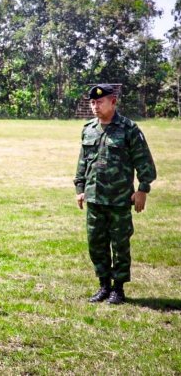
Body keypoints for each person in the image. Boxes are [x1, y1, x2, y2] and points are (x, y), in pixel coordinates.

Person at [75, 84, 156, 305]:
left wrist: (143, 189)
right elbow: (83, 162)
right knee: (96, 244)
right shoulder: (89, 129)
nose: (95, 106)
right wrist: (80, 189)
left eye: (100, 102)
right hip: (94, 198)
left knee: (120, 245)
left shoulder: (129, 129)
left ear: (113, 101)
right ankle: (103, 286)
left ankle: (118, 289)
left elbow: (144, 162)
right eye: (92, 102)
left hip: (120, 199)